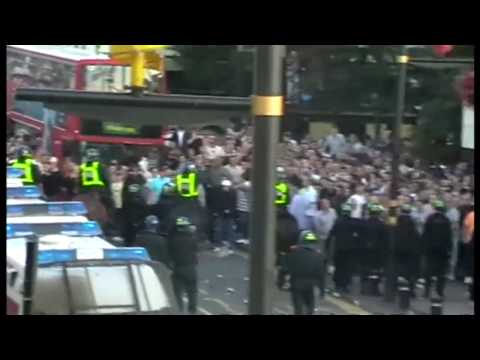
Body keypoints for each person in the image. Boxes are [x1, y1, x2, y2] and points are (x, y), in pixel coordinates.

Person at [281, 231, 325, 315]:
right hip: (311, 284)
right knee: (310, 304)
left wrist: (281, 282)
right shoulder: (319, 256)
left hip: (296, 283)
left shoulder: (292, 252)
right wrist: (322, 290)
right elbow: (321, 275)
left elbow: (284, 268)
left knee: (298, 306)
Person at [327, 203, 365, 295]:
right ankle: (345, 285)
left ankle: (337, 284)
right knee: (347, 267)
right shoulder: (353, 223)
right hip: (349, 249)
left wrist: (327, 246)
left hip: (338, 248)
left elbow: (331, 234)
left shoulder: (338, 221)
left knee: (339, 266)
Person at [167, 216, 199, 315]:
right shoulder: (191, 238)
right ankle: (192, 311)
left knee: (177, 293)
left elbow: (169, 251)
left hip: (177, 268)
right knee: (192, 292)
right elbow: (196, 248)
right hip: (190, 267)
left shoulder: (173, 239)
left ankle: (179, 311)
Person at [422, 200, 452, 299]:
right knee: (441, 272)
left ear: (435, 208)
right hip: (442, 251)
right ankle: (440, 291)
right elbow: (449, 236)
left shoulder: (429, 219)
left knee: (428, 271)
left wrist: (424, 247)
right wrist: (449, 249)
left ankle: (426, 291)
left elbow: (425, 234)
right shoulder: (446, 220)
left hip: (430, 249)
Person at [394, 204, 422, 298]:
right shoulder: (412, 223)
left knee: (399, 270)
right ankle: (409, 291)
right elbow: (417, 236)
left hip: (398, 250)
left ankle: (398, 288)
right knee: (410, 272)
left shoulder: (397, 221)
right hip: (411, 252)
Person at [361, 203, 388, 296]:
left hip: (365, 250)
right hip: (377, 252)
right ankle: (374, 289)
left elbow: (361, 237)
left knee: (365, 269)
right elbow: (385, 239)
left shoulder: (364, 223)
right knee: (376, 271)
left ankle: (364, 288)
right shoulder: (381, 225)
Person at [121, 164, 147, 247]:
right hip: (129, 208)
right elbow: (125, 195)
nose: (134, 173)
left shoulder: (142, 180)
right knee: (129, 229)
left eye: (136, 170)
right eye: (132, 171)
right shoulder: (128, 181)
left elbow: (145, 193)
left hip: (140, 209)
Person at [212, 179, 237, 255]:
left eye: (227, 187)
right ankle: (217, 245)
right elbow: (216, 203)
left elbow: (234, 204)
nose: (226, 188)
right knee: (218, 229)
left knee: (230, 230)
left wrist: (230, 210)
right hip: (220, 213)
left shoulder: (232, 193)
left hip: (229, 215)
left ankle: (230, 246)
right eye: (224, 186)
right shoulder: (218, 194)